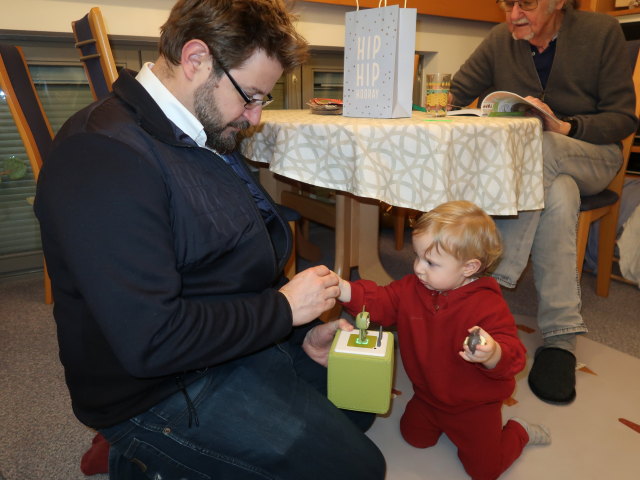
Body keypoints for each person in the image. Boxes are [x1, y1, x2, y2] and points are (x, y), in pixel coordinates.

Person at [33, 1, 385, 478]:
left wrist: (296, 332)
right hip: (157, 388)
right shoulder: (102, 157)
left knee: (358, 410)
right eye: (251, 97)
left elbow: (219, 253)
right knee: (359, 470)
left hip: (220, 337)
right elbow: (151, 341)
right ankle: (141, 452)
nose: (255, 118)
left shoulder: (190, 129)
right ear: (196, 59)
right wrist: (282, 311)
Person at [449, 0, 638, 405]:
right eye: (506, 3)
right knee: (557, 192)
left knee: (544, 145)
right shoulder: (501, 38)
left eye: (526, 3)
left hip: (592, 154)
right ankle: (561, 339)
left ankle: (487, 288)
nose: (513, 13)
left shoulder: (601, 32)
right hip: (543, 168)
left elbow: (624, 118)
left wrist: (567, 126)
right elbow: (456, 91)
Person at [337, 201, 550, 480]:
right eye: (417, 257)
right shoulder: (413, 287)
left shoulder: (487, 305)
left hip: (473, 408)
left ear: (469, 267)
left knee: (484, 472)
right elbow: (382, 301)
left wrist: (493, 353)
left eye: (430, 262)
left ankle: (518, 432)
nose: (418, 268)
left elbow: (514, 354)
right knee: (413, 437)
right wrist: (342, 289)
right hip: (427, 396)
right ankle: (436, 417)